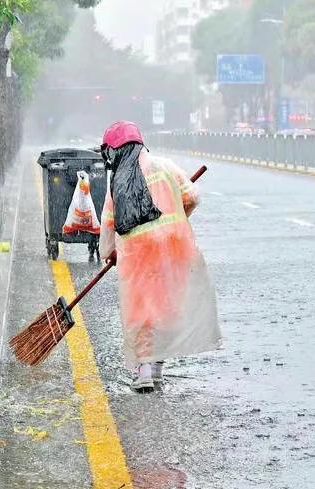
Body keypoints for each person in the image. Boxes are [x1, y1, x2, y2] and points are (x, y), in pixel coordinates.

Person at [99, 121, 220, 393]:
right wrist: (178, 217)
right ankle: (156, 371)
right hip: (173, 249)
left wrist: (109, 252)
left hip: (138, 255)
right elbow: (192, 195)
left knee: (142, 312)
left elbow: (108, 224)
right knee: (165, 308)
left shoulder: (117, 182)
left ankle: (143, 372)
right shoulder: (165, 166)